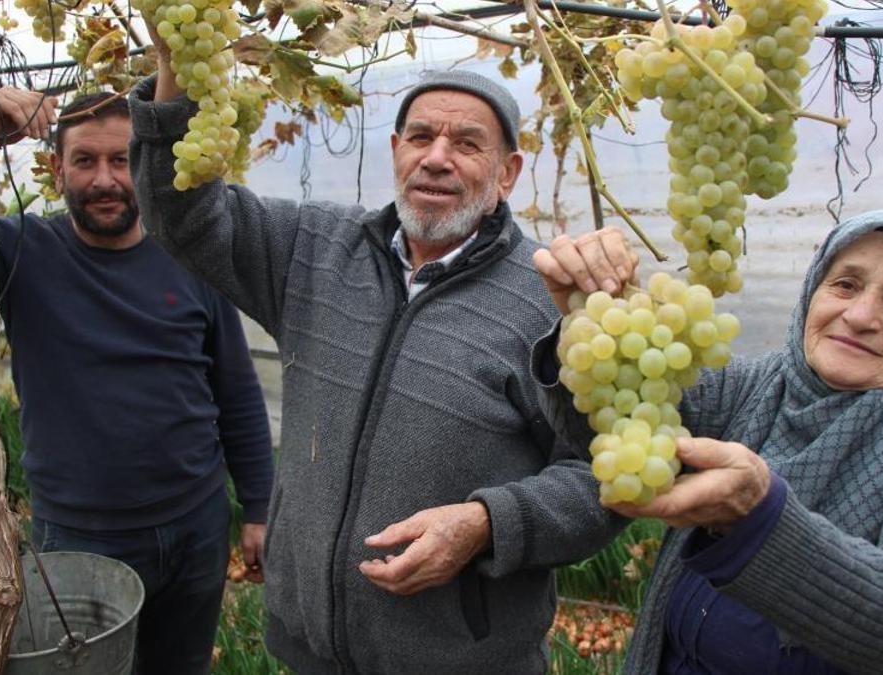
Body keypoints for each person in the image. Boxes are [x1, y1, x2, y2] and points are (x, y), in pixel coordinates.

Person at [127, 39, 627, 671]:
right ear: (396, 151)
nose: (437, 159)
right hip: (308, 652)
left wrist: (487, 524)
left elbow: (606, 480)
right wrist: (176, 65)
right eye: (420, 137)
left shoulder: (548, 301)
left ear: (507, 174)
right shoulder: (313, 248)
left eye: (467, 144)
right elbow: (183, 213)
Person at [0, 88, 275, 675]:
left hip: (196, 526)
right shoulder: (21, 252)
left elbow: (235, 392)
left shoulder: (186, 257)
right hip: (82, 536)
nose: (106, 179)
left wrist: (257, 506)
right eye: (84, 161)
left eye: (122, 159)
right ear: (57, 169)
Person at [532, 210, 883, 673]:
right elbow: (614, 428)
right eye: (845, 284)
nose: (861, 315)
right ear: (812, 291)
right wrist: (589, 327)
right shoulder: (748, 388)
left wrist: (761, 518)